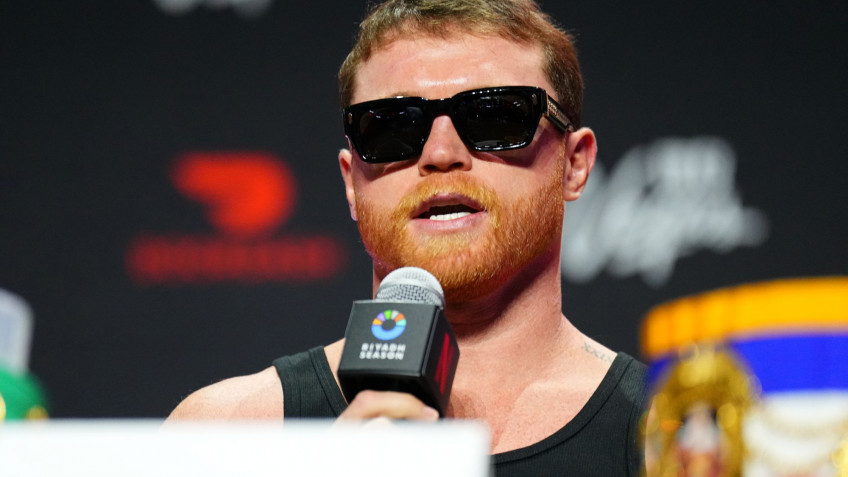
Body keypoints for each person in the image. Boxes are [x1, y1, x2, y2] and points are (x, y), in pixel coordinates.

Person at [168, 0, 648, 475]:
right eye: (392, 127)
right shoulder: (225, 439)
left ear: (574, 165)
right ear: (351, 184)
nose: (440, 153)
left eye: (494, 117)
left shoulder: (670, 438)